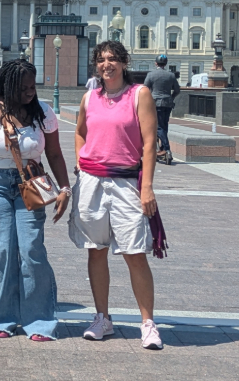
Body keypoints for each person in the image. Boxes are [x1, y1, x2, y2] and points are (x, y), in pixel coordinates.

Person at [70, 40, 165, 350]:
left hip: (126, 182)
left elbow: (150, 144)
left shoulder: (140, 95)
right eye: (101, 59)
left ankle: (148, 323)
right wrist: (81, 163)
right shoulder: (89, 97)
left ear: (124, 63)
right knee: (95, 250)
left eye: (112, 59)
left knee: (134, 253)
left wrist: (147, 186)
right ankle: (102, 317)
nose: (106, 64)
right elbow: (80, 131)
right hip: (92, 181)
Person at [0, 59, 70, 340]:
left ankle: (39, 320)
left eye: (32, 86)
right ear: (7, 85)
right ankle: (5, 317)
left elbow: (56, 154)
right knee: (1, 251)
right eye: (23, 87)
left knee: (31, 250)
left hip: (30, 186)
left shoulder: (43, 112)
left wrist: (65, 189)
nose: (29, 92)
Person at [143, 55, 181, 165]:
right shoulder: (171, 75)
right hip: (168, 103)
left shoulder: (151, 75)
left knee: (158, 126)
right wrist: (171, 97)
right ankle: (162, 149)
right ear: (166, 63)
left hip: (155, 103)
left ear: (156, 63)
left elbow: (145, 89)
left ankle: (167, 149)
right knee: (164, 126)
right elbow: (177, 90)